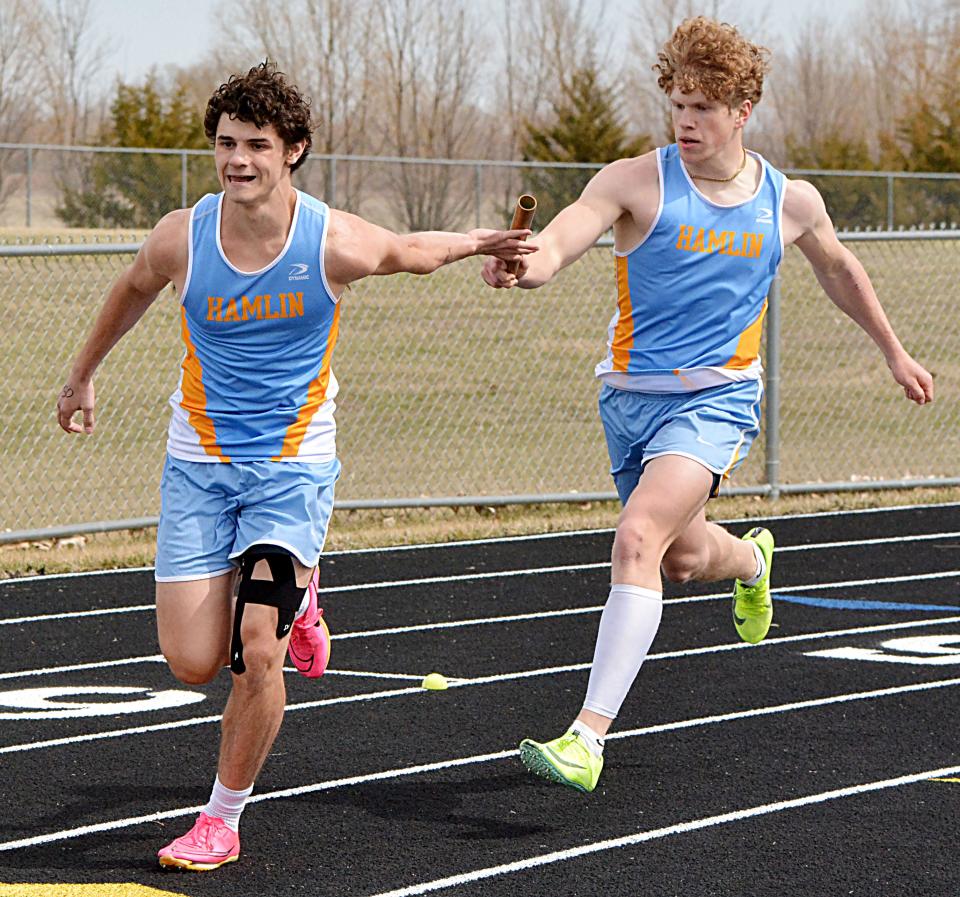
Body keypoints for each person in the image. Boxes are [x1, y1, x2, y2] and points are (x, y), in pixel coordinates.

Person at [56, 61, 535, 870]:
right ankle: (303, 598)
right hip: (199, 462)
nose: (237, 159)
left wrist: (486, 243)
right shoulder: (185, 233)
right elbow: (134, 285)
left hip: (291, 466)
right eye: (224, 143)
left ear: (294, 151)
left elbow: (413, 250)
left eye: (255, 145)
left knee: (257, 644)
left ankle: (222, 816)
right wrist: (82, 372)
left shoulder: (330, 240)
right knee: (191, 660)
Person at [481, 16, 933, 794]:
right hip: (628, 401)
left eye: (704, 108)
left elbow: (840, 269)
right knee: (683, 557)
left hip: (718, 400)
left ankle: (588, 736)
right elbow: (557, 244)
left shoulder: (788, 201)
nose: (686, 121)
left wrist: (893, 350)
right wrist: (521, 266)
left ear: (742, 110)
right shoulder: (634, 181)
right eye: (678, 104)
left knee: (638, 536)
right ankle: (752, 557)